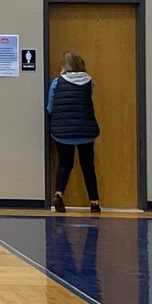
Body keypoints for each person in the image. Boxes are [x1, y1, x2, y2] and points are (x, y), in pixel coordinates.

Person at [47, 50, 101, 213]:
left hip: (62, 131)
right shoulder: (89, 81)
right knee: (87, 166)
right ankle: (94, 202)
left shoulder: (57, 82)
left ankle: (58, 194)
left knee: (65, 163)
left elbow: (50, 107)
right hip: (85, 130)